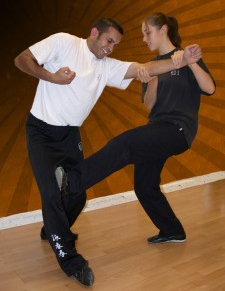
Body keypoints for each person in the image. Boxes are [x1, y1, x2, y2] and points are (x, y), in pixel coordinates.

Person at [14, 17, 202, 287]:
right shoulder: (64, 42)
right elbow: (22, 59)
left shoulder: (107, 67)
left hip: (69, 136)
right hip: (41, 132)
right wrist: (51, 76)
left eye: (115, 44)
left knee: (77, 195)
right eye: (108, 40)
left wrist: (181, 61)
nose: (110, 47)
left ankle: (52, 229)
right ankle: (71, 261)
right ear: (94, 33)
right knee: (53, 195)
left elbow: (144, 67)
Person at [55, 11, 215, 276]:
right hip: (158, 130)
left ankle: (72, 181)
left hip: (178, 130)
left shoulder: (186, 56)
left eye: (147, 32)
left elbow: (209, 89)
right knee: (144, 185)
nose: (144, 38)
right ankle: (172, 230)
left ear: (163, 30)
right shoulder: (152, 64)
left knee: (127, 143)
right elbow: (151, 106)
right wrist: (150, 79)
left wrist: (189, 62)